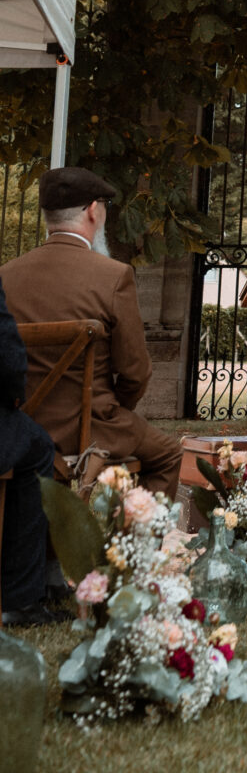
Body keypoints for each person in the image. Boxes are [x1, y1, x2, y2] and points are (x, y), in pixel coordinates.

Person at [0, 168, 181, 494]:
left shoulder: (6, 276)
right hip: (92, 427)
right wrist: (115, 409)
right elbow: (136, 373)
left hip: (18, 429)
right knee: (169, 454)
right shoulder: (113, 276)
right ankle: (135, 530)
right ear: (93, 211)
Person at [0, 277, 60, 624]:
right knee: (37, 448)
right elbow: (7, 356)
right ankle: (19, 597)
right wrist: (14, 396)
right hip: (80, 418)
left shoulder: (15, 271)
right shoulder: (115, 277)